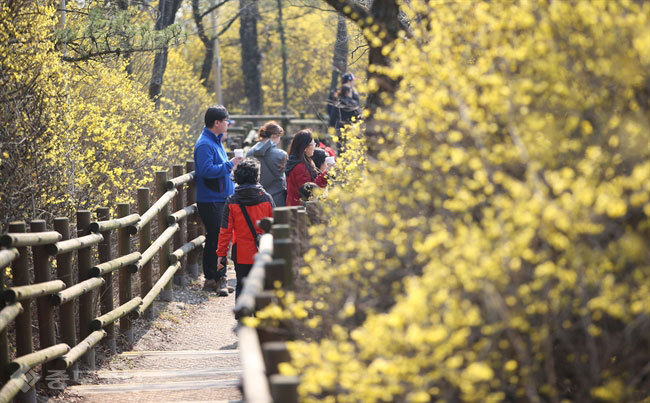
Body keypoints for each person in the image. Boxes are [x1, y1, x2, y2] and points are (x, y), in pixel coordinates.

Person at [194, 105, 243, 295]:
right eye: (226, 121)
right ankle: (213, 278)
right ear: (217, 123)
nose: (228, 124)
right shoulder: (206, 144)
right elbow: (206, 170)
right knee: (216, 238)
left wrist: (229, 169)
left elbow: (216, 168)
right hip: (211, 199)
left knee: (220, 237)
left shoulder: (214, 141)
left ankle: (217, 277)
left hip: (219, 197)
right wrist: (230, 164)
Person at [216, 158, 275, 299]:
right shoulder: (266, 199)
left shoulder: (232, 201)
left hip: (241, 251)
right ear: (257, 177)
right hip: (263, 251)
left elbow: (225, 231)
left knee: (242, 284)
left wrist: (221, 254)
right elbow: (276, 227)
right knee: (263, 287)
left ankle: (242, 317)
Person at [246, 121, 288, 207]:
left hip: (255, 199)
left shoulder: (249, 153)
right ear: (274, 136)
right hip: (277, 200)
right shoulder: (281, 155)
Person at [285, 129, 331, 206]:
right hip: (299, 209)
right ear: (305, 147)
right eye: (313, 143)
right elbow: (308, 191)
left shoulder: (299, 161)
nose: (315, 146)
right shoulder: (300, 167)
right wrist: (326, 174)